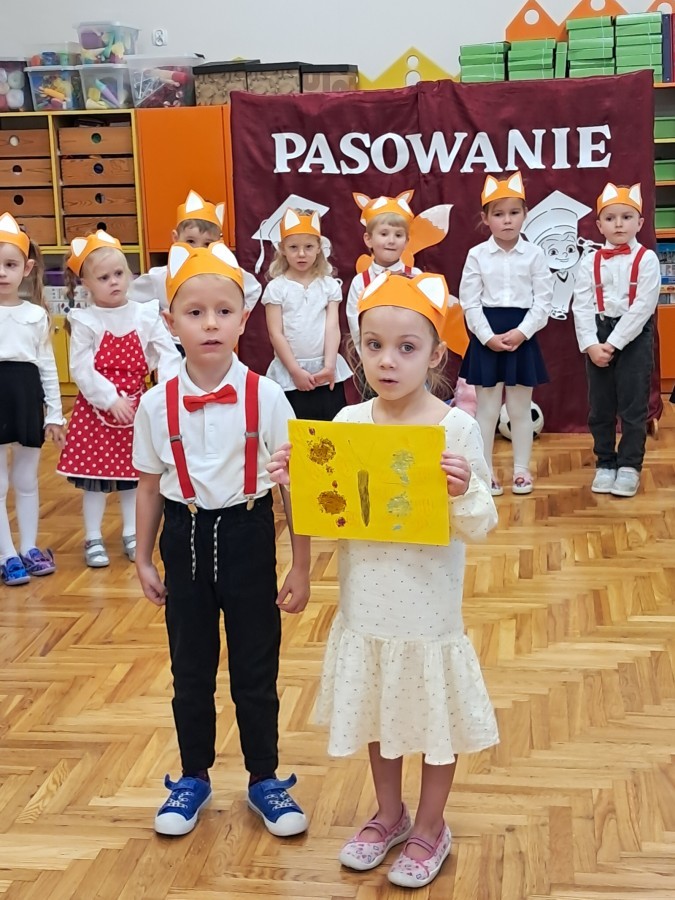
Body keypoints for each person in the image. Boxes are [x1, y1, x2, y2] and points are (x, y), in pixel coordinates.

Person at [268, 271, 499, 889]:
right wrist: (296, 479)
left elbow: (483, 522)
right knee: (379, 709)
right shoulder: (347, 422)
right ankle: (390, 814)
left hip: (427, 606)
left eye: (406, 347)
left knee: (434, 719)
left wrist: (462, 489)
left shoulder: (454, 429)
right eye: (373, 345)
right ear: (357, 349)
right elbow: (327, 510)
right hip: (366, 601)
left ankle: (431, 826)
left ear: (436, 355)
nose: (387, 361)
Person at [132, 241, 311, 840]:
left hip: (248, 532)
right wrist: (142, 556)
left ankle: (264, 777)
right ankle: (193, 776)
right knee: (190, 667)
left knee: (257, 663)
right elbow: (149, 485)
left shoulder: (268, 396)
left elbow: (293, 487)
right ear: (170, 323)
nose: (210, 324)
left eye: (224, 311)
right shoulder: (155, 404)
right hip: (182, 535)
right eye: (195, 312)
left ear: (243, 319)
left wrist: (301, 565)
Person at [56, 231, 181, 567]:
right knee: (94, 481)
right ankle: (93, 537)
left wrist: (165, 393)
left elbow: (168, 354)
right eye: (103, 277)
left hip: (137, 409)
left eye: (119, 273)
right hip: (97, 411)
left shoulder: (145, 314)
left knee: (132, 477)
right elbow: (81, 368)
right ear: (86, 283)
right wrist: (109, 399)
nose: (114, 282)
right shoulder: (85, 320)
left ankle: (131, 532)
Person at [459, 172, 553, 496]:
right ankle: (485, 472)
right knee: (486, 411)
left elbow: (543, 302)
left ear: (525, 214)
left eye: (514, 212)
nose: (507, 220)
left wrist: (522, 332)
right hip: (487, 338)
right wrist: (487, 337)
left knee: (519, 409)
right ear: (485, 218)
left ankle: (522, 471)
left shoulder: (535, 254)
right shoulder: (477, 255)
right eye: (498, 214)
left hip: (521, 337)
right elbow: (470, 302)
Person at [572, 182, 660, 497]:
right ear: (599, 225)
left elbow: (643, 307)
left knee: (634, 406)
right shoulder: (589, 261)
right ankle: (605, 462)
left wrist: (614, 343)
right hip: (598, 334)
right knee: (600, 406)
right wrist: (591, 345)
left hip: (633, 337)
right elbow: (581, 305)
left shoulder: (647, 259)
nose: (618, 224)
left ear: (640, 222)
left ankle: (630, 466)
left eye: (626, 217)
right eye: (610, 218)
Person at [0, 213, 66, 585]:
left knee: (26, 479)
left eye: (10, 265)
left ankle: (28, 547)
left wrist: (54, 414)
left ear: (26, 269)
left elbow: (47, 366)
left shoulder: (36, 315)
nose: (2, 273)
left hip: (26, 401)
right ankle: (6, 554)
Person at [128, 190, 262, 348]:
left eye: (207, 243)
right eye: (191, 241)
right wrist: (159, 326)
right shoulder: (161, 276)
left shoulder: (227, 275)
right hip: (174, 347)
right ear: (176, 238)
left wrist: (232, 316)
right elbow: (130, 297)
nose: (198, 249)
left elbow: (253, 288)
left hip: (214, 342)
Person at [263, 207, 351, 420]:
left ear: (319, 248)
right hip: (291, 375)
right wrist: (295, 371)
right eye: (293, 247)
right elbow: (276, 333)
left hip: (324, 372)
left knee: (330, 427)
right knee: (294, 429)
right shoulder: (277, 288)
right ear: (282, 249)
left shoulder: (328, 285)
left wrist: (329, 366)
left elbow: (332, 327)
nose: (301, 254)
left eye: (308, 247)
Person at [346, 191, 421, 351]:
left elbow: (423, 323)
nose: (391, 241)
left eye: (398, 235)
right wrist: (369, 358)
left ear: (406, 241)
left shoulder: (416, 277)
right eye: (384, 234)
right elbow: (356, 326)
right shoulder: (360, 282)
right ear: (368, 239)